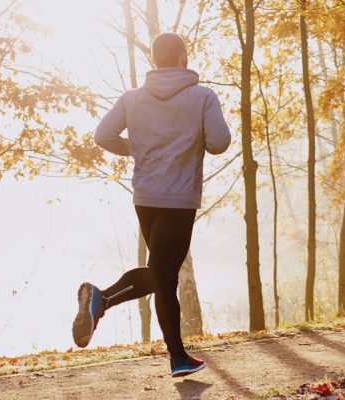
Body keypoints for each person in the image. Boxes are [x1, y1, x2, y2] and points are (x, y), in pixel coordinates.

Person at [71, 32, 231, 378]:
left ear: (156, 60)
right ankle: (111, 304)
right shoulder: (202, 97)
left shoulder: (132, 98)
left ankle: (170, 352)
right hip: (178, 199)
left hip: (145, 197)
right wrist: (190, 139)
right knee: (164, 274)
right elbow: (219, 142)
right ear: (183, 58)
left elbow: (103, 136)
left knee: (162, 272)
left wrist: (141, 148)